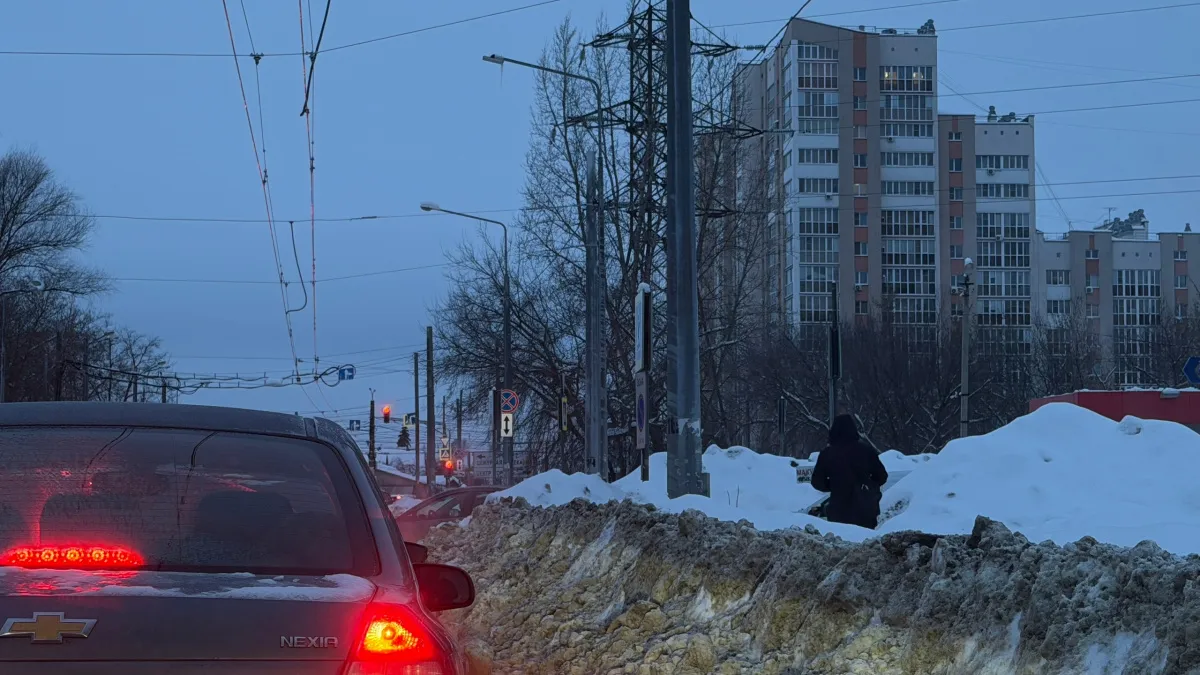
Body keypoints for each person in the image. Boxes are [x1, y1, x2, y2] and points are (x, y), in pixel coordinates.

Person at [811, 414, 888, 529]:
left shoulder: (827, 454)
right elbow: (882, 476)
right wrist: (868, 484)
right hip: (865, 509)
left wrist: (833, 485)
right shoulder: (866, 451)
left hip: (838, 510)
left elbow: (817, 482)